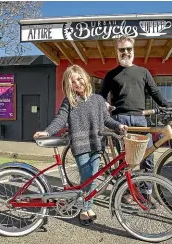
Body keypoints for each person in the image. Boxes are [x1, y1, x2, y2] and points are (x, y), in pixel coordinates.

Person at [33, 65, 127, 225]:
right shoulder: (70, 101)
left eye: (79, 78)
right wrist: (48, 132)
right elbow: (60, 119)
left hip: (97, 144)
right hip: (80, 145)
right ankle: (85, 209)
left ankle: (87, 205)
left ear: (85, 78)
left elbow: (106, 119)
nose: (77, 83)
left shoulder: (98, 99)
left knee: (94, 177)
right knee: (87, 178)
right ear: (69, 86)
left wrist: (118, 126)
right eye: (73, 82)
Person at [100, 35, 170, 202]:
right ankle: (126, 191)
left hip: (140, 120)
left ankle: (146, 193)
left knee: (147, 157)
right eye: (122, 49)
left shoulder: (143, 72)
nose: (126, 52)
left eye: (128, 49)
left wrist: (166, 106)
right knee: (125, 160)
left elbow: (154, 91)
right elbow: (101, 96)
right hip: (120, 120)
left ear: (133, 50)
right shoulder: (111, 75)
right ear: (117, 52)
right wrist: (105, 105)